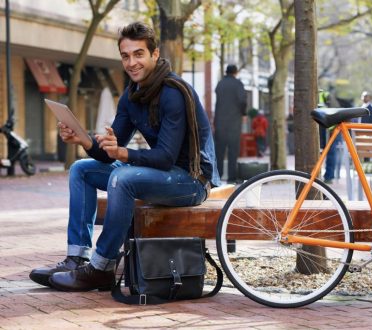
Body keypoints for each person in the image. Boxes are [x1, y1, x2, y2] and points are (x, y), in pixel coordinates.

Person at [29, 21, 220, 292]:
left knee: (123, 177)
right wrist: (82, 139)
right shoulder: (131, 96)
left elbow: (165, 158)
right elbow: (107, 154)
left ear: (154, 54)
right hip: (160, 174)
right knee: (81, 169)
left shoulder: (173, 93)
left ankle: (102, 267)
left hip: (190, 180)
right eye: (126, 55)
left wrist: (123, 153)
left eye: (138, 54)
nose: (132, 62)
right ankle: (76, 258)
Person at [214, 64, 247, 183]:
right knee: (233, 150)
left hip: (220, 122)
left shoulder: (220, 84)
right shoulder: (238, 84)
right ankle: (231, 178)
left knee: (219, 151)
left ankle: (217, 176)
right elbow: (243, 100)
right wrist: (243, 113)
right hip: (234, 122)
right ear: (236, 72)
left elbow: (217, 103)